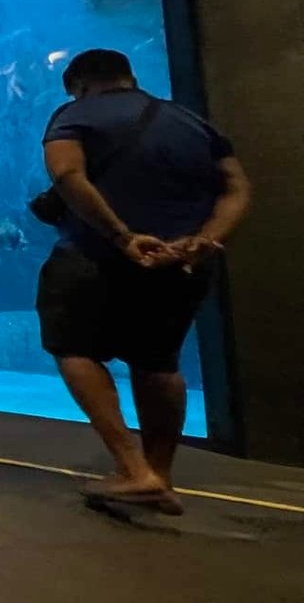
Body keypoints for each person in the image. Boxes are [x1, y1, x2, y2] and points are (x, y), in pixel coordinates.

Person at [38, 49, 249, 515]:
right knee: (158, 361)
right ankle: (160, 474)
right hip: (182, 263)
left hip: (93, 258)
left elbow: (66, 172)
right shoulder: (192, 122)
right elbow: (236, 186)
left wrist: (122, 237)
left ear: (79, 85)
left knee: (73, 346)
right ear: (131, 77)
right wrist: (206, 240)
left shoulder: (75, 115)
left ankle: (134, 469)